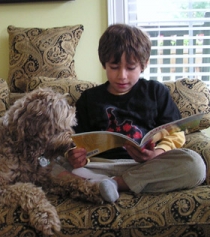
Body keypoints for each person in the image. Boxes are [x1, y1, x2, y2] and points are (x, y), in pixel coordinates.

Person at [65, 23, 206, 203]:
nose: (122, 75)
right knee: (47, 165)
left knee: (195, 165)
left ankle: (114, 184)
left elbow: (176, 133)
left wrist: (158, 153)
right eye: (114, 67)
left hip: (148, 166)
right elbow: (74, 139)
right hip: (100, 166)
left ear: (144, 64)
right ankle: (105, 182)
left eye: (130, 68)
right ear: (104, 64)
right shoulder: (89, 98)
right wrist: (75, 155)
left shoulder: (156, 92)